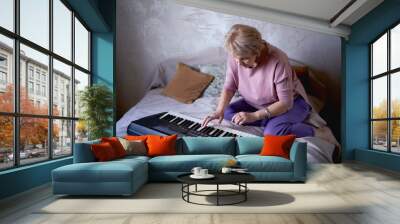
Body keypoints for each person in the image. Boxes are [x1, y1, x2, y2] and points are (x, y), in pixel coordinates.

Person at [202, 24, 335, 142]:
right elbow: (229, 87)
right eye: (236, 58)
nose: (238, 63)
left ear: (257, 51)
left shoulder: (278, 60)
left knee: (271, 133)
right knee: (227, 112)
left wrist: (254, 116)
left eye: (244, 59)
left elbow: (285, 103)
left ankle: (319, 133)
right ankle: (273, 121)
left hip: (291, 104)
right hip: (255, 104)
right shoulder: (236, 54)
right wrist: (219, 110)